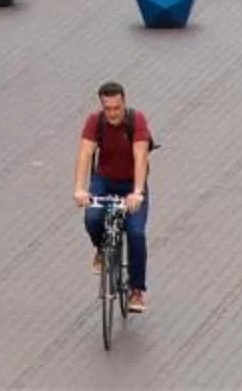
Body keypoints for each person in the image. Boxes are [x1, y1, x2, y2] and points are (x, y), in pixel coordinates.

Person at [74, 79, 152, 312]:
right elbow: (85, 154)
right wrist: (79, 188)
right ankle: (101, 248)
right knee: (92, 218)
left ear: (124, 103)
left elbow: (141, 158)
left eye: (116, 108)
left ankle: (136, 291)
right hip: (104, 181)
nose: (113, 114)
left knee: (136, 233)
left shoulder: (136, 121)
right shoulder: (94, 122)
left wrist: (137, 192)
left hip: (131, 184)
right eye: (107, 109)